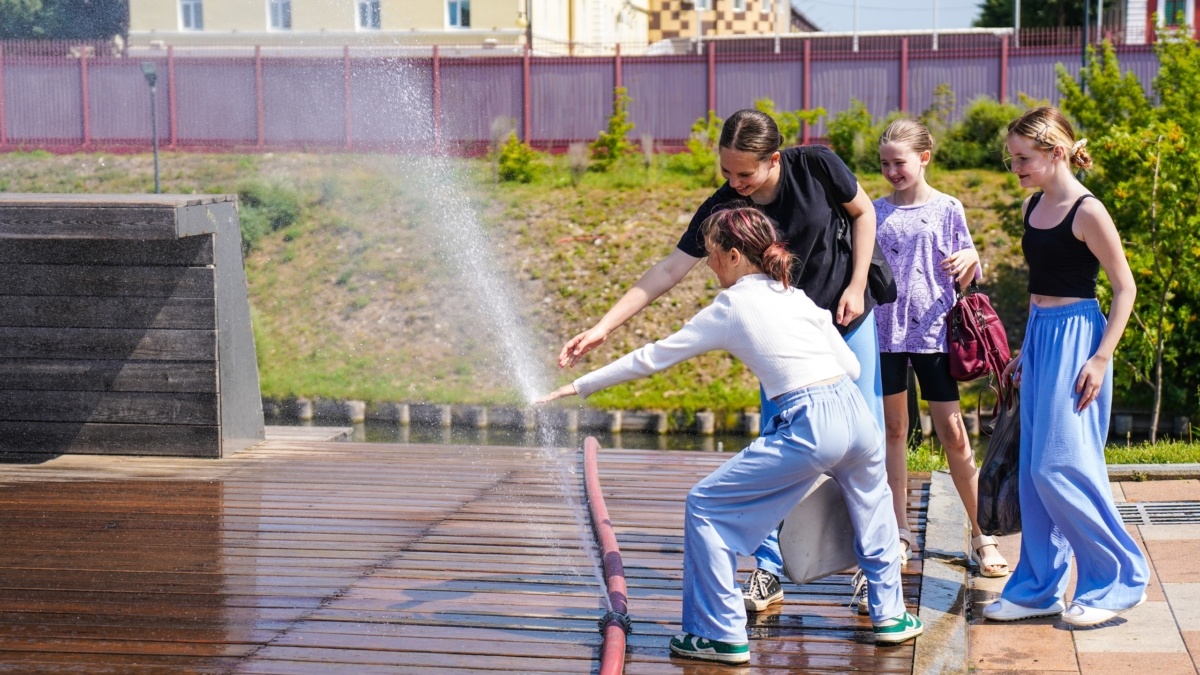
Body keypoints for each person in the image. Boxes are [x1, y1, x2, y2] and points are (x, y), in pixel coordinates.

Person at [537, 207, 922, 664]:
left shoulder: (731, 306)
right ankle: (891, 617)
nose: (709, 265)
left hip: (809, 420)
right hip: (856, 415)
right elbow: (854, 367)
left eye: (713, 256)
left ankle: (719, 634)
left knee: (706, 507)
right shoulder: (793, 294)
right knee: (873, 507)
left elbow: (652, 357)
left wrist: (580, 385)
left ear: (735, 256)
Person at [557, 109, 888, 613]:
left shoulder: (818, 165)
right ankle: (769, 569)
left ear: (774, 159)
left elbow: (864, 213)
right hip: (783, 342)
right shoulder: (727, 206)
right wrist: (604, 326)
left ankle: (869, 573)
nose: (735, 184)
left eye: (745, 174)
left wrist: (858, 284)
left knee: (864, 451)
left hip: (846, 315)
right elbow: (670, 268)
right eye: (727, 173)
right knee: (775, 455)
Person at [981, 107, 1148, 627]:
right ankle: (1037, 588)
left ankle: (1118, 579)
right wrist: (1025, 352)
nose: (1016, 169)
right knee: (1033, 473)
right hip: (1041, 335)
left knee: (1061, 465)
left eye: (1023, 158)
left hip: (1080, 338)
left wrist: (1101, 357)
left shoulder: (1088, 211)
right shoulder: (1033, 206)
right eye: (1011, 160)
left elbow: (1125, 288)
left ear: (1056, 153)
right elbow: (1039, 289)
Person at [873, 119, 1009, 578]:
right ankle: (898, 531)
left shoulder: (949, 207)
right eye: (885, 163)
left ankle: (982, 533)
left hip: (934, 336)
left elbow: (968, 267)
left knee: (953, 433)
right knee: (894, 433)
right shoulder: (872, 212)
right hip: (885, 336)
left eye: (900, 162)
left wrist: (974, 258)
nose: (892, 171)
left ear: (924, 158)